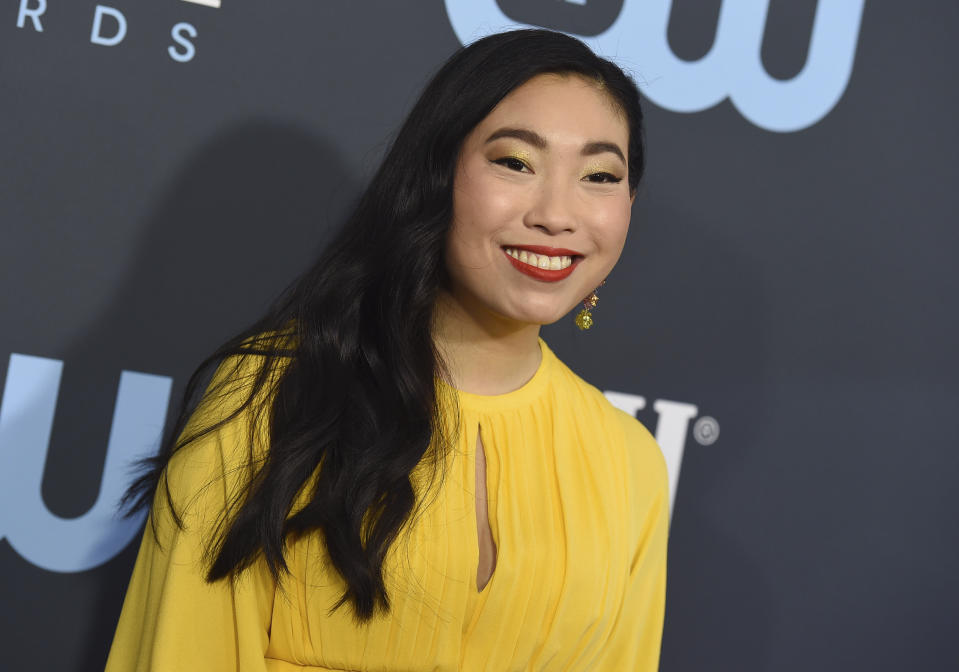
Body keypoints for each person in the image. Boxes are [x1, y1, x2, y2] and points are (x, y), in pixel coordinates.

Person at [105, 28, 668, 671]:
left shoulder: (631, 466)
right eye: (515, 162)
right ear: (436, 173)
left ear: (628, 206)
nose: (556, 214)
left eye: (599, 175)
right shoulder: (278, 395)